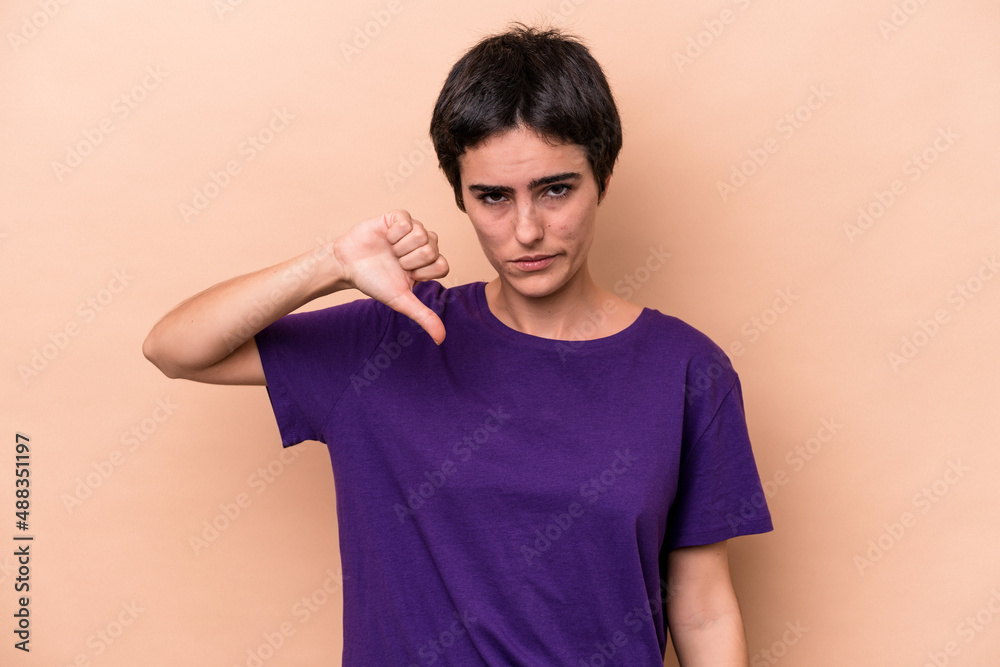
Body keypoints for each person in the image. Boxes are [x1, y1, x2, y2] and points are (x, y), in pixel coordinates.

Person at [144, 23, 772, 666]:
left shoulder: (687, 370)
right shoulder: (389, 339)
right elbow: (175, 348)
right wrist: (330, 265)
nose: (526, 230)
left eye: (556, 189)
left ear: (602, 178)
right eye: (493, 197)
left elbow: (704, 608)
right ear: (461, 198)